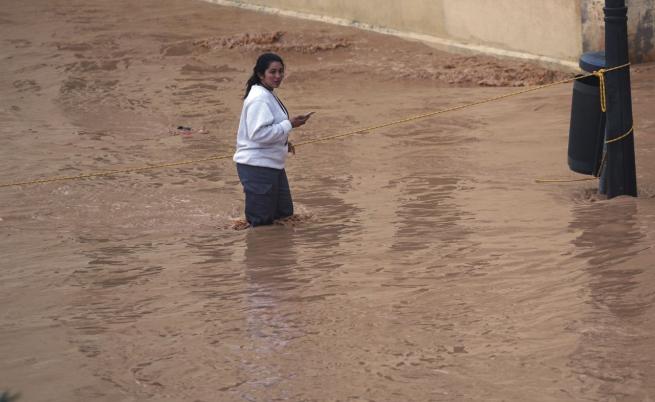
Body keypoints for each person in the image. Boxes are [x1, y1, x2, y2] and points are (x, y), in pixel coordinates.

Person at [233, 53, 312, 227]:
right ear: (261, 74)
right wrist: (289, 124)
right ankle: (261, 252)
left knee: (284, 215)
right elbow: (259, 134)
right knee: (261, 224)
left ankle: (279, 251)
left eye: (281, 72)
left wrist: (283, 143)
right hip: (257, 167)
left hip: (271, 165)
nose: (278, 76)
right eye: (273, 72)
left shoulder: (266, 93)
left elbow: (266, 131)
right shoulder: (259, 98)